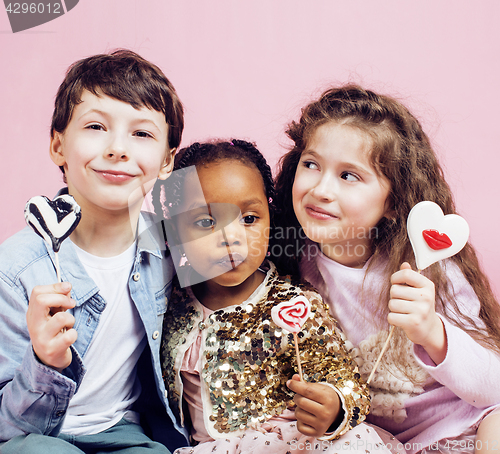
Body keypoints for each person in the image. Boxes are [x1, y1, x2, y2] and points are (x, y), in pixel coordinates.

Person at [273, 84, 500, 454]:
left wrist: (431, 331)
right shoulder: (289, 262)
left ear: (393, 203)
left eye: (349, 176)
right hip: (375, 441)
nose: (321, 189)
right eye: (311, 164)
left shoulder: (427, 270)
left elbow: (494, 387)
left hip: (467, 428)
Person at [152, 139, 404, 454]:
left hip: (294, 441)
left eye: (248, 219)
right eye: (206, 222)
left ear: (269, 221)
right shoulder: (168, 301)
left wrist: (334, 407)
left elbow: (342, 376)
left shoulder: (293, 301)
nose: (231, 239)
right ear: (175, 232)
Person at [0, 50, 188, 453]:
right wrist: (45, 360)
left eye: (142, 134)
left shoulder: (171, 250)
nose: (118, 149)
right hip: (36, 436)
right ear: (57, 146)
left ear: (168, 161)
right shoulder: (15, 270)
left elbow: (244, 254)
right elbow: (6, 424)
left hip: (123, 431)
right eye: (96, 126)